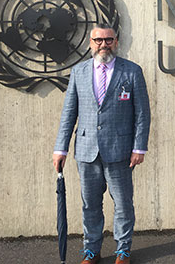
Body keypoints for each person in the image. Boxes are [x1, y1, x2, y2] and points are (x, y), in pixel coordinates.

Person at [53, 24, 151, 264]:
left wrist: (139, 147)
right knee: (90, 205)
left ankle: (123, 250)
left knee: (123, 204)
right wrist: (60, 148)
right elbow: (69, 113)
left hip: (120, 150)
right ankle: (92, 250)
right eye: (98, 40)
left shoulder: (132, 71)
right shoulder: (79, 72)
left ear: (116, 42)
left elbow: (142, 113)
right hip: (86, 150)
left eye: (108, 40)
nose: (103, 45)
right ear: (90, 43)